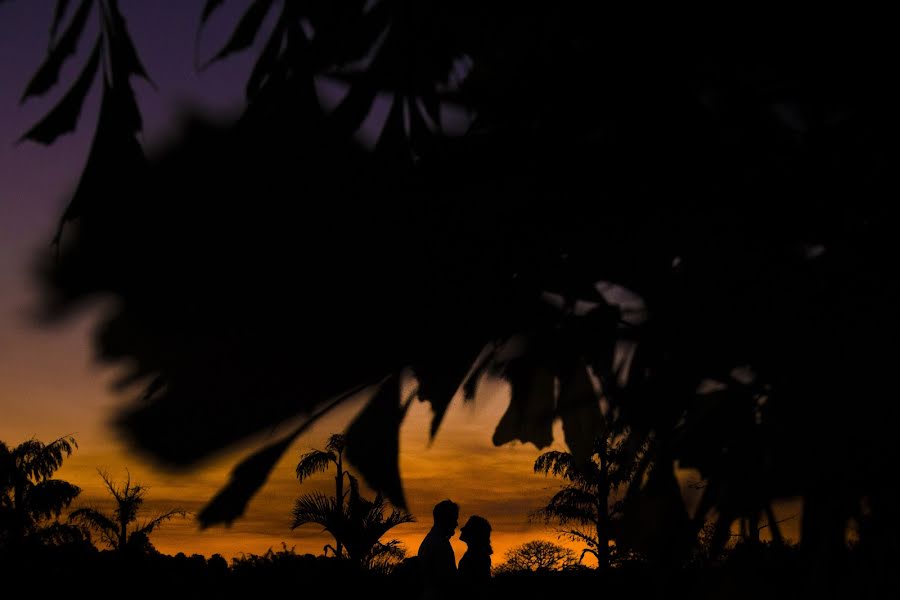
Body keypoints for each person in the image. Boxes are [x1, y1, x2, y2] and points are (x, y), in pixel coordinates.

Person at [417, 499, 459, 600]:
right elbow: (447, 579)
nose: (456, 524)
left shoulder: (431, 540)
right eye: (454, 519)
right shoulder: (439, 543)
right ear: (446, 519)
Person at [457, 515, 493, 597]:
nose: (462, 529)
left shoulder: (477, 557)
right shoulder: (476, 555)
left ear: (474, 533)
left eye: (467, 527)